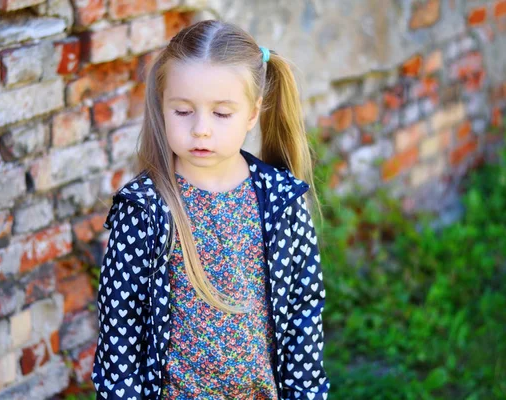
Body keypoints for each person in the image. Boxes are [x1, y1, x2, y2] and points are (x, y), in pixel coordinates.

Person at [91, 19, 330, 400]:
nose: (201, 129)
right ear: (163, 106)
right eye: (184, 111)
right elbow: (120, 328)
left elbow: (304, 313)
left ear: (252, 113)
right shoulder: (145, 209)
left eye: (221, 114)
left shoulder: (280, 201)